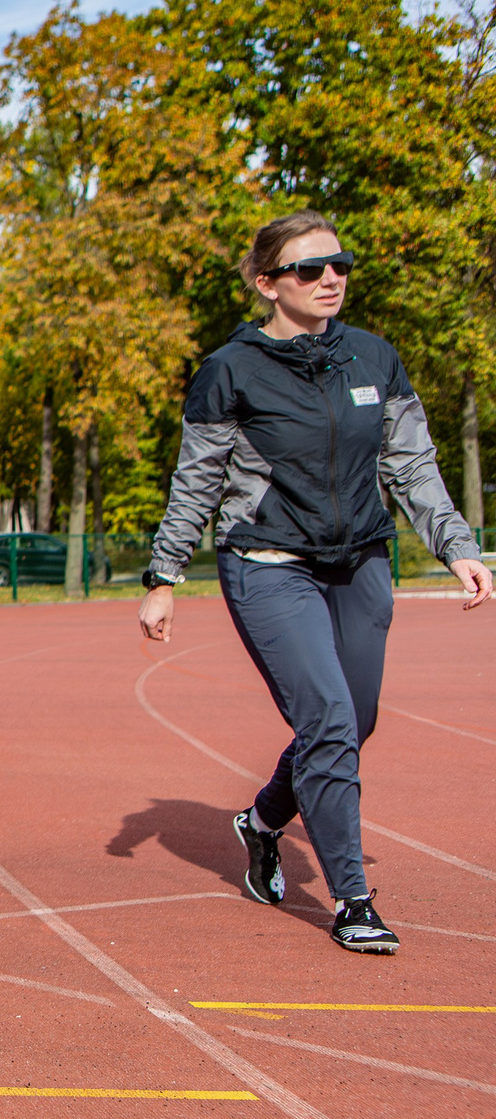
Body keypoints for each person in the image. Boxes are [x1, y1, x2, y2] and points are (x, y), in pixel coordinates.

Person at [141, 211, 491, 953]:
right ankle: (353, 899)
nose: (331, 278)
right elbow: (196, 482)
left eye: (340, 264)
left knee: (351, 724)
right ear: (267, 283)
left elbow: (411, 463)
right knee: (329, 720)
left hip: (360, 559)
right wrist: (164, 574)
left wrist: (455, 544)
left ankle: (263, 820)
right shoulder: (228, 372)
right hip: (268, 564)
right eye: (309, 269)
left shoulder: (373, 358)